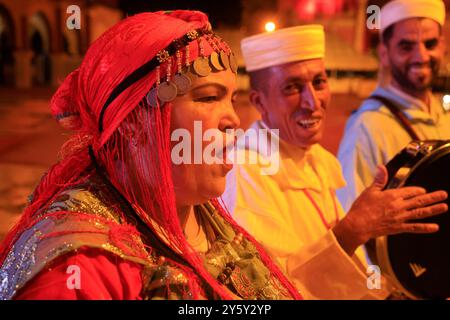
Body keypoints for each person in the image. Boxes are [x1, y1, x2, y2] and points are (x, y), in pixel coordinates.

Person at [0, 11, 301, 300]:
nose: (233, 119)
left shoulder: (201, 214)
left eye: (231, 99)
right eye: (209, 97)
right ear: (132, 123)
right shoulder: (76, 268)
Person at [222, 24, 448, 299]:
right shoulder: (245, 172)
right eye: (292, 88)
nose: (312, 101)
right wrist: (354, 228)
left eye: (319, 82)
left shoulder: (317, 158)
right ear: (259, 102)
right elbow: (268, 290)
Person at [337, 0, 450, 211]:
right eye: (406, 46)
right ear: (384, 54)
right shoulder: (366, 127)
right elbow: (350, 218)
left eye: (430, 44)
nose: (421, 56)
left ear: (443, 46)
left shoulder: (444, 115)